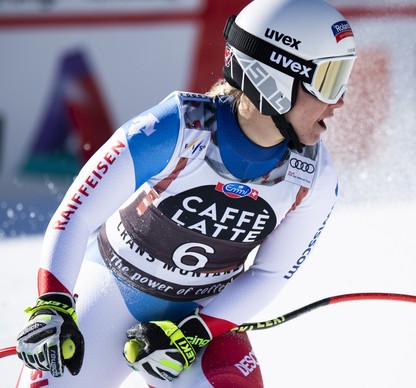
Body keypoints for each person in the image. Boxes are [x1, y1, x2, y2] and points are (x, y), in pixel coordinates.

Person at [15, 0, 357, 386]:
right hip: (112, 290)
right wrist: (53, 305)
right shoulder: (175, 129)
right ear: (274, 78)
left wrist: (197, 332)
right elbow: (76, 214)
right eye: (329, 81)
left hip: (201, 317)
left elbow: (269, 274)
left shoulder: (314, 177)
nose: (340, 100)